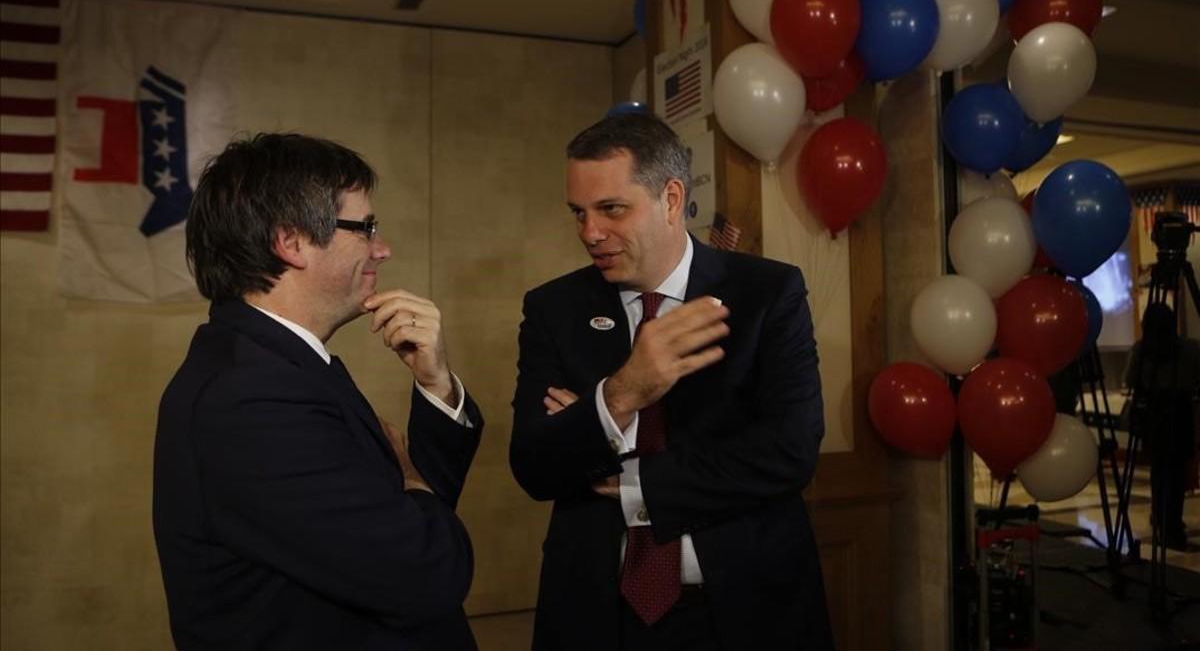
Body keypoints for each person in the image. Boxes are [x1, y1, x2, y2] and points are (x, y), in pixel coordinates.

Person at [509, 114, 833, 650]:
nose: (590, 233)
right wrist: (622, 393)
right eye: (579, 213)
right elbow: (535, 465)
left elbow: (789, 451)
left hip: (747, 610)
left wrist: (630, 475)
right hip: (598, 615)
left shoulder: (766, 293)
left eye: (611, 209)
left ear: (672, 198)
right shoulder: (554, 309)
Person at [153, 133, 483, 650]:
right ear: (292, 242)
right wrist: (412, 479)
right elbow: (425, 568)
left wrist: (435, 384)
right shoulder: (252, 396)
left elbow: (395, 525)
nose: (382, 248)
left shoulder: (284, 362)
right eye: (365, 227)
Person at [1125, 300, 1200, 551]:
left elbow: (1131, 380)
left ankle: (1161, 516)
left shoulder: (1142, 351)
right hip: (1180, 413)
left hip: (1154, 415)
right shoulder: (1188, 350)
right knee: (1176, 473)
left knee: (1159, 471)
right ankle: (1172, 523)